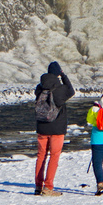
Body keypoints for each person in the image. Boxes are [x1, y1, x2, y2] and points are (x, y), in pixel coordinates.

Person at [34, 61, 74, 196]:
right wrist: (64, 76)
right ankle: (48, 187)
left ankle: (38, 186)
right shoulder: (60, 89)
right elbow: (71, 90)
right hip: (56, 127)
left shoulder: (39, 88)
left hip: (41, 125)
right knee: (54, 156)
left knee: (41, 156)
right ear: (58, 73)